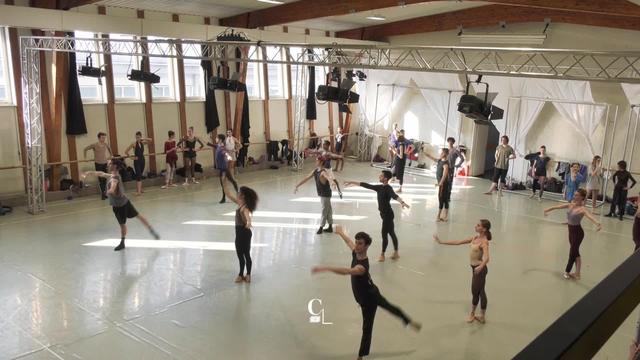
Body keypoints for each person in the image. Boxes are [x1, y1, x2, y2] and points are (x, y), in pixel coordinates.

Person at [312, 225, 421, 360]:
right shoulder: (356, 253)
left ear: (367, 246)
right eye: (357, 242)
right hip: (371, 290)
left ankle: (361, 356)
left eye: (360, 243)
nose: (357, 245)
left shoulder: (362, 267)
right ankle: (407, 320)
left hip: (369, 299)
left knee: (367, 327)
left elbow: (346, 271)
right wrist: (341, 233)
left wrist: (326, 268)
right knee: (389, 307)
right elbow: (348, 242)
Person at [82, 157, 160, 251]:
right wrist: (89, 172)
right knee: (126, 223)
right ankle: (123, 243)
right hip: (118, 206)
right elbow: (100, 173)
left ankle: (151, 230)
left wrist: (109, 191)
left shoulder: (115, 178)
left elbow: (113, 187)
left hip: (123, 205)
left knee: (133, 219)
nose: (108, 165)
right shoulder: (111, 175)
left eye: (109, 163)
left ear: (114, 166)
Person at [434, 219, 492, 323]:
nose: (476, 226)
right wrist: (441, 242)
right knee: (481, 291)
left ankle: (473, 314)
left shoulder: (484, 242)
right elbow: (458, 242)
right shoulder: (475, 238)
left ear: (484, 229)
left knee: (475, 292)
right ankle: (481, 316)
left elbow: (487, 258)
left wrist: (481, 266)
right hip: (475, 269)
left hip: (479, 270)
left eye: (478, 225)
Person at [345, 170, 410, 262]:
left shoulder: (388, 189)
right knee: (391, 232)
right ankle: (396, 252)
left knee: (384, 234)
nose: (379, 176)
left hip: (388, 215)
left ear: (385, 179)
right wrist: (352, 182)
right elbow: (367, 185)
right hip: (383, 214)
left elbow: (394, 196)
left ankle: (382, 254)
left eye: (381, 176)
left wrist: (402, 202)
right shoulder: (379, 187)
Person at [544, 188, 602, 279]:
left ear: (582, 197)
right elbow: (557, 207)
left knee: (572, 253)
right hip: (570, 232)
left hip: (578, 233)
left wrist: (598, 223)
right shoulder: (570, 205)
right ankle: (577, 274)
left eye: (576, 195)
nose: (574, 196)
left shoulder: (583, 209)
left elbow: (591, 216)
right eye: (574, 195)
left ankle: (567, 271)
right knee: (575, 252)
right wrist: (547, 209)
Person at [222, 178, 258, 283]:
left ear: (243, 196)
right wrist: (224, 184)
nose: (237, 194)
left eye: (239, 193)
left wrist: (248, 223)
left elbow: (248, 217)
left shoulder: (244, 208)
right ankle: (241, 273)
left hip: (245, 233)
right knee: (239, 253)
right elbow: (228, 195)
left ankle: (248, 274)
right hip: (239, 233)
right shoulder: (240, 204)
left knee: (246, 254)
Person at [295, 157, 334, 234]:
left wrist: (332, 182)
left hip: (325, 194)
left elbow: (328, 177)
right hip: (322, 194)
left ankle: (321, 227)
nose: (315, 161)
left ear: (321, 162)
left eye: (317, 160)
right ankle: (330, 227)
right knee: (328, 210)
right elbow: (306, 178)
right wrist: (297, 185)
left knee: (324, 210)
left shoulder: (323, 172)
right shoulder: (315, 171)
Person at [83, 132, 113, 200]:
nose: (104, 139)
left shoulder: (105, 144)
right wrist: (85, 158)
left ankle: (104, 193)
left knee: (105, 178)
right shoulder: (95, 145)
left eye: (104, 137)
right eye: (102, 137)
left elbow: (109, 148)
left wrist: (111, 155)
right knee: (100, 179)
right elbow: (85, 149)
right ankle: (103, 193)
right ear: (99, 138)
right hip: (98, 164)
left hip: (105, 163)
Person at [124, 131, 153, 196]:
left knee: (140, 175)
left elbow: (151, 140)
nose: (137, 138)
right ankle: (139, 192)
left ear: (141, 137)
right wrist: (131, 157)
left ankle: (139, 189)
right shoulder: (134, 143)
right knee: (139, 175)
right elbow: (126, 151)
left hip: (142, 160)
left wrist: (144, 138)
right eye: (136, 137)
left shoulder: (142, 143)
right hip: (137, 161)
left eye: (139, 137)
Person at [215, 134, 239, 204]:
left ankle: (238, 193)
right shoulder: (218, 146)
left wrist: (228, 156)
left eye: (216, 138)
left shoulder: (222, 147)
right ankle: (223, 198)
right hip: (221, 169)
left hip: (225, 168)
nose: (215, 139)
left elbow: (225, 153)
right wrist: (202, 140)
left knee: (232, 181)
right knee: (222, 184)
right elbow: (210, 144)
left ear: (220, 140)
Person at [436, 148, 452, 222]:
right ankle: (444, 216)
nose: (440, 154)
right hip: (442, 184)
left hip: (444, 184)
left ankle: (439, 216)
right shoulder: (439, 160)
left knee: (441, 198)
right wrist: (426, 153)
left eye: (441, 153)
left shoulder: (446, 164)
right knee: (444, 199)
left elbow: (445, 175)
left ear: (445, 154)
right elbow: (433, 158)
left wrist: (440, 183)